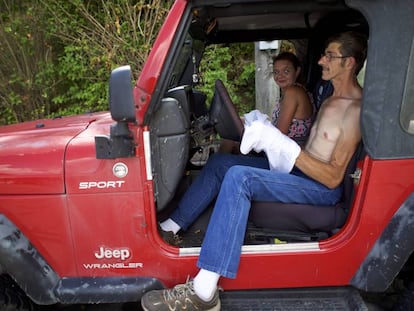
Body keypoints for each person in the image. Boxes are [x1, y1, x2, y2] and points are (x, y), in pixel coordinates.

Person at [141, 31, 368, 311]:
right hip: (301, 175)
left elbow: (333, 177)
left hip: (321, 188)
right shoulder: (331, 99)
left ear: (350, 63)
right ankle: (170, 228)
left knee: (240, 177)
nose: (321, 60)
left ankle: (203, 291)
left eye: (330, 55)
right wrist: (274, 147)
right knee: (222, 164)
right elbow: (308, 150)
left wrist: (281, 145)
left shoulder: (356, 110)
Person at [219, 52, 313, 154]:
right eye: (276, 72)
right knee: (236, 125)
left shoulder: (293, 92)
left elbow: (280, 135)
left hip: (286, 156)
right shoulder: (294, 91)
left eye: (286, 71)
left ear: (297, 71)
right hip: (283, 150)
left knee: (228, 141)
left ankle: (220, 163)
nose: (280, 76)